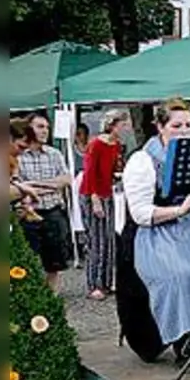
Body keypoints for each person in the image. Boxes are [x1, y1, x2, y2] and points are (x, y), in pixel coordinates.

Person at [115, 98, 190, 364]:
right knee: (180, 277)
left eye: (188, 125)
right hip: (154, 235)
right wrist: (179, 210)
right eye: (176, 125)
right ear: (160, 127)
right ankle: (186, 338)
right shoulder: (143, 160)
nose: (184, 131)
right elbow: (140, 214)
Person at [16, 112, 74, 290]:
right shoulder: (18, 155)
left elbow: (65, 180)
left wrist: (33, 186)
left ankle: (51, 296)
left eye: (47, 127)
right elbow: (17, 186)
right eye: (40, 127)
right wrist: (49, 185)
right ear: (29, 129)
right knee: (28, 261)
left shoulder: (54, 154)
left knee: (54, 262)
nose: (45, 131)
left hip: (53, 212)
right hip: (28, 215)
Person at [79, 109, 130, 300]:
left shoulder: (115, 145)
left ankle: (107, 282)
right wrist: (94, 198)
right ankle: (95, 284)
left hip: (107, 191)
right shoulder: (96, 144)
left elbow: (112, 169)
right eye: (123, 124)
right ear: (113, 125)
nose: (125, 128)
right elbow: (89, 172)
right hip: (93, 193)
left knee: (108, 239)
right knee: (96, 240)